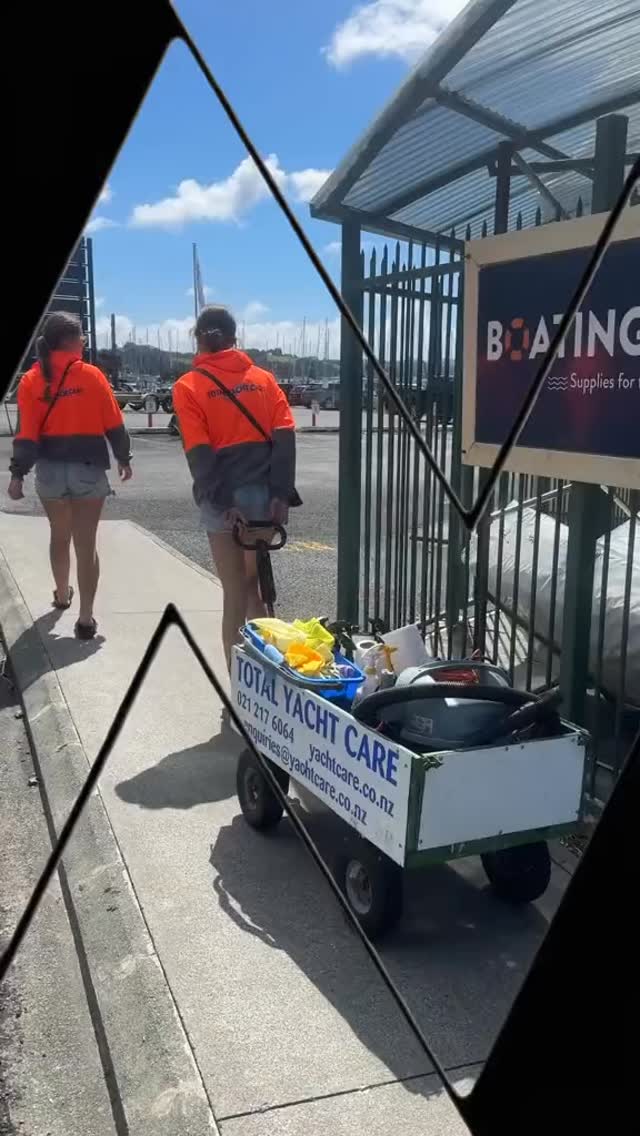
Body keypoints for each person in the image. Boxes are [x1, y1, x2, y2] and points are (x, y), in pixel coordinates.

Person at [173, 305, 297, 672]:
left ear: (198, 339)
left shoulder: (188, 386)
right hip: (262, 496)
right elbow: (285, 437)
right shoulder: (263, 379)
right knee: (254, 585)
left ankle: (238, 683)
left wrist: (224, 501)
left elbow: (199, 453)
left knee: (233, 592)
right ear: (234, 338)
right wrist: (280, 493)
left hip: (222, 499)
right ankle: (269, 676)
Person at [8, 311, 133, 640]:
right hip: (87, 469)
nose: (84, 343)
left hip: (49, 471)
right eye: (82, 337)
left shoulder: (31, 380)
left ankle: (62, 595)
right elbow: (114, 423)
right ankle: (86, 619)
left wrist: (17, 474)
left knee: (59, 536)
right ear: (72, 340)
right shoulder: (92, 376)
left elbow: (26, 434)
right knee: (86, 544)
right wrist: (123, 457)